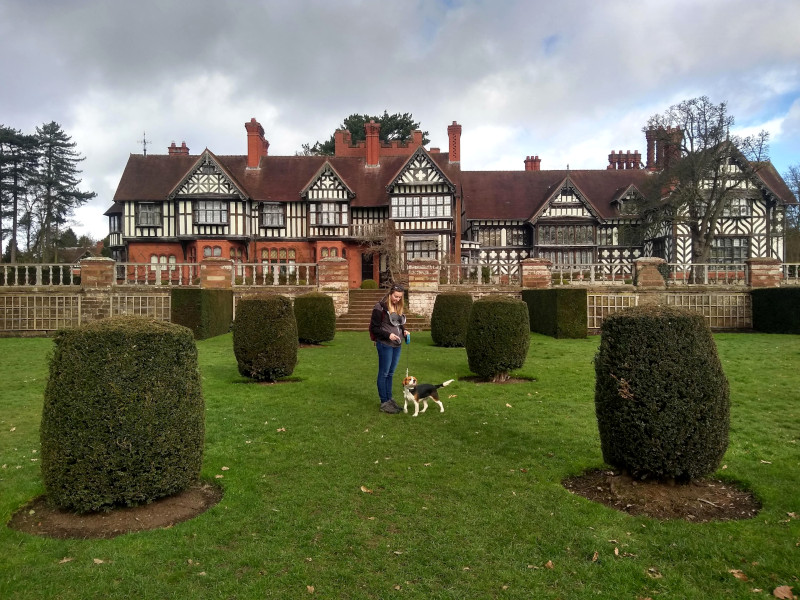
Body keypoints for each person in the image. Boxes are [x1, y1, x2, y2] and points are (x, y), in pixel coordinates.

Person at [369, 283, 410, 414]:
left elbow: (398, 324)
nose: (397, 299)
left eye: (399, 297)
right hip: (385, 344)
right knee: (384, 373)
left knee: (391, 373)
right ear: (390, 294)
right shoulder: (380, 307)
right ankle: (384, 402)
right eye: (395, 296)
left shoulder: (398, 307)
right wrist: (388, 335)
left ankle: (390, 399)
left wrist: (404, 331)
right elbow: (374, 328)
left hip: (397, 345)